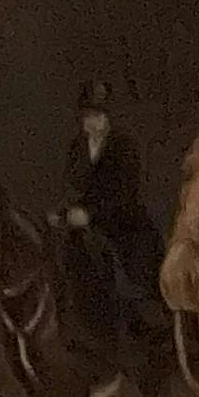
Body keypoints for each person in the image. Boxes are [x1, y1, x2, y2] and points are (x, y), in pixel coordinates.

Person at [56, 75, 165, 367]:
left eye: (98, 115)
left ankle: (135, 326)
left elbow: (124, 192)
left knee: (127, 264)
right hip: (82, 223)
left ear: (108, 117)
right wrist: (66, 210)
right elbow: (70, 185)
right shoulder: (77, 148)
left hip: (121, 222)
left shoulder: (124, 146)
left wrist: (90, 214)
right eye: (87, 116)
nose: (92, 122)